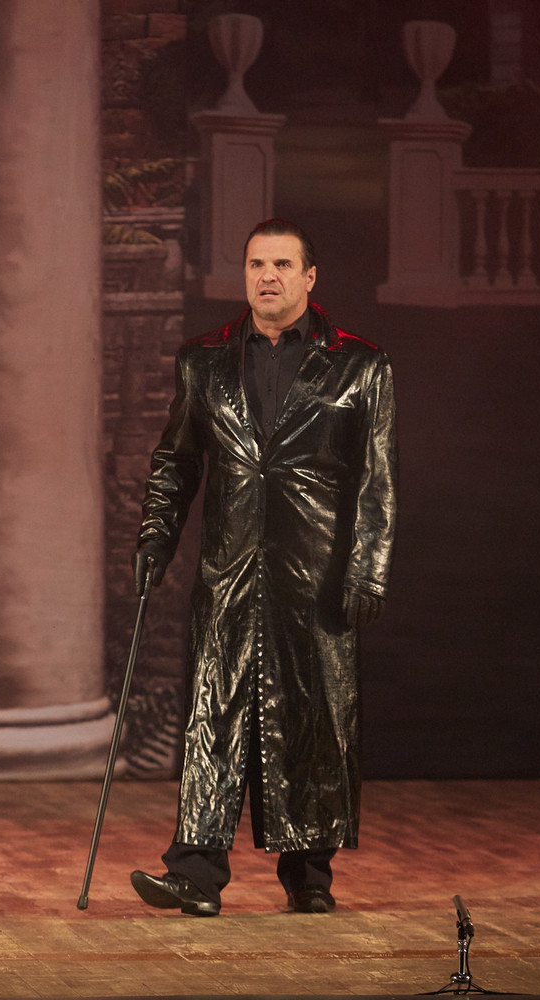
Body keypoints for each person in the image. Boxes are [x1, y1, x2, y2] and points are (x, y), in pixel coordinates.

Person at [129, 219, 397, 916]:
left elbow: (376, 481)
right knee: (213, 715)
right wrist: (155, 538)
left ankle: (309, 875)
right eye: (255, 264)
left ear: (310, 277)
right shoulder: (204, 362)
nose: (267, 276)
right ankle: (194, 873)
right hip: (230, 570)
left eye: (281, 264)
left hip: (316, 575)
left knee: (312, 720)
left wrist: (367, 569)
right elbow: (176, 462)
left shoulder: (360, 366)